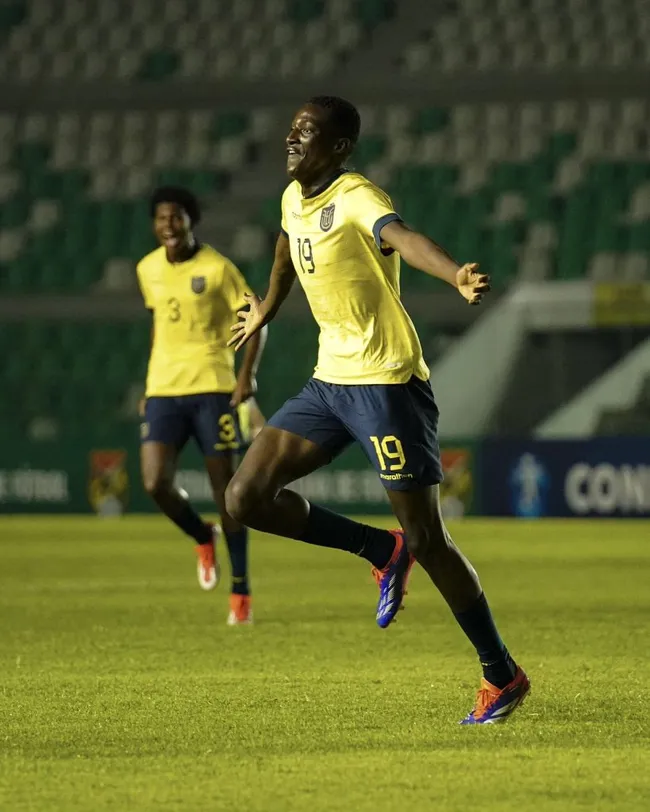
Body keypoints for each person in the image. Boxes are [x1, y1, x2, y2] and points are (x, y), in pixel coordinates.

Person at [225, 96, 529, 722]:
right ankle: (379, 551)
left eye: (305, 134)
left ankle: (502, 673)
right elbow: (287, 249)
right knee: (244, 497)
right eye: (290, 130)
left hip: (387, 383)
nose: (291, 140)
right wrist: (267, 309)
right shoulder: (290, 198)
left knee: (430, 537)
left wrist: (454, 276)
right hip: (329, 382)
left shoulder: (357, 195)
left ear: (337, 148)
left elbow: (404, 238)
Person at [137, 186, 266, 625]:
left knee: (228, 494)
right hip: (163, 390)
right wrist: (149, 382)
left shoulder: (217, 269)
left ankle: (241, 589)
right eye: (161, 219)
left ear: (190, 220)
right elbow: (159, 324)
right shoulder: (147, 269)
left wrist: (246, 377)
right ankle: (200, 534)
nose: (168, 226)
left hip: (213, 388)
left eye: (176, 217)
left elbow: (257, 318)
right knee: (155, 482)